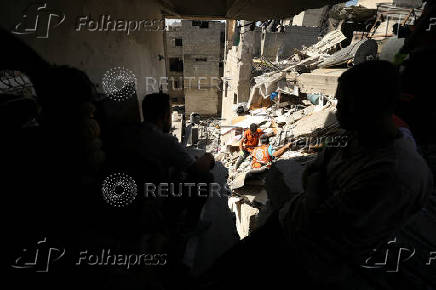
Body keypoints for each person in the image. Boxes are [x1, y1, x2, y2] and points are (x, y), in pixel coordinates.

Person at [199, 60, 433, 289]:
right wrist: (315, 187)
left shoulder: (396, 174)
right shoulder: (353, 137)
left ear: (368, 104)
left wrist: (315, 187)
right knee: (224, 269)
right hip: (285, 224)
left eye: (344, 102)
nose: (337, 109)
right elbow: (312, 172)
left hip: (305, 259)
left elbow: (324, 219)